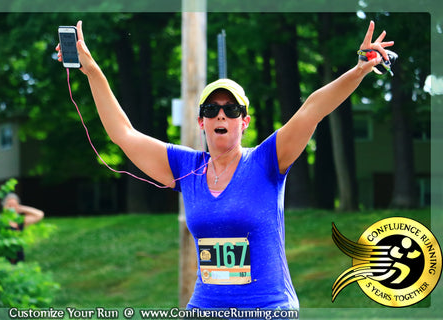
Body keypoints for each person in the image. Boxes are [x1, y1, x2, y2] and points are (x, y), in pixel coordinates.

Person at [56, 20, 393, 310]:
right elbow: (123, 134)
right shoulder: (185, 167)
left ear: (243, 122)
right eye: (211, 110)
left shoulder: (266, 161)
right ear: (201, 122)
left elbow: (313, 108)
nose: (221, 115)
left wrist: (360, 68)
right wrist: (93, 71)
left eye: (231, 110)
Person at [2, 193, 44, 263]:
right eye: (10, 205)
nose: (12, 208)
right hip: (4, 257)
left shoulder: (20, 220)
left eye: (14, 205)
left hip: (19, 256)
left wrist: (21, 208)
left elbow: (39, 214)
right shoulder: (1, 221)